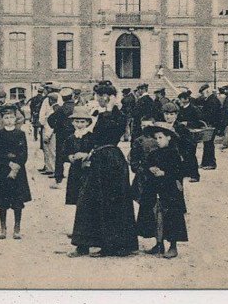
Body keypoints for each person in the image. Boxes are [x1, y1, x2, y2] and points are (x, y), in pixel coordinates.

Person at [69, 81, 138, 258]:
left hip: (112, 160)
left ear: (111, 97)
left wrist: (108, 109)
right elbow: (90, 137)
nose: (100, 98)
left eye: (103, 95)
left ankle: (113, 245)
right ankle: (83, 244)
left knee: (112, 202)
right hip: (97, 159)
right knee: (86, 200)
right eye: (98, 95)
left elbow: (110, 134)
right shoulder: (97, 113)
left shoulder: (119, 115)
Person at [135, 123, 188, 259]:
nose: (158, 141)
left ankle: (173, 246)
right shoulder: (154, 153)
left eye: (161, 138)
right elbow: (146, 165)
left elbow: (179, 171)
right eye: (156, 138)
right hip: (155, 188)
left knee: (171, 216)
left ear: (169, 137)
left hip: (169, 190)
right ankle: (159, 243)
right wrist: (151, 169)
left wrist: (164, 173)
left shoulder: (174, 153)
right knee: (155, 214)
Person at [0, 103, 31, 240]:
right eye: (6, 117)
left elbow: (24, 153)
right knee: (3, 199)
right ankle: (3, 227)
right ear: (2, 119)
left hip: (18, 172)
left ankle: (17, 227)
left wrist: (17, 165)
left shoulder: (20, 134)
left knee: (17, 200)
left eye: (11, 117)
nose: (9, 120)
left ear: (16, 118)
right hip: (3, 171)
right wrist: (8, 163)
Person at [63, 105, 95, 209]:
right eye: (77, 121)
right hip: (75, 170)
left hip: (87, 170)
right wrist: (69, 156)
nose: (79, 125)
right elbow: (64, 152)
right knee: (77, 197)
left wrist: (86, 155)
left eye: (82, 122)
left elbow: (95, 150)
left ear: (87, 123)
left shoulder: (91, 137)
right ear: (72, 122)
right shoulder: (70, 138)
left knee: (87, 197)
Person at [48, 87, 75, 189]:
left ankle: (58, 180)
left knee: (60, 157)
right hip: (75, 133)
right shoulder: (77, 107)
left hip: (62, 134)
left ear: (62, 98)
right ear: (72, 96)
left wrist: (56, 127)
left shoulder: (60, 109)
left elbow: (50, 119)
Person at [175, 91, 203, 182]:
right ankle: (186, 172)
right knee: (183, 154)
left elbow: (199, 122)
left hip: (191, 136)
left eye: (181, 99)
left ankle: (195, 175)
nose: (180, 101)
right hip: (182, 136)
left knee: (191, 155)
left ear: (186, 99)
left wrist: (187, 123)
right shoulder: (181, 109)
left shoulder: (194, 109)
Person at [197, 84, 223, 170]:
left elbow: (211, 114)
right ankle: (205, 163)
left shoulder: (212, 101)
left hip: (212, 125)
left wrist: (201, 116)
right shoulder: (210, 99)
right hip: (210, 125)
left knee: (209, 144)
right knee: (207, 143)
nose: (202, 95)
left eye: (203, 93)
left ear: (207, 91)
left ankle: (211, 163)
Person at [39, 90, 60, 176]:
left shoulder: (55, 108)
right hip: (48, 129)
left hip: (50, 130)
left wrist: (47, 134)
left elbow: (50, 122)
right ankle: (49, 168)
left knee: (51, 150)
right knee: (47, 150)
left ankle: (52, 169)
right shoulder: (54, 107)